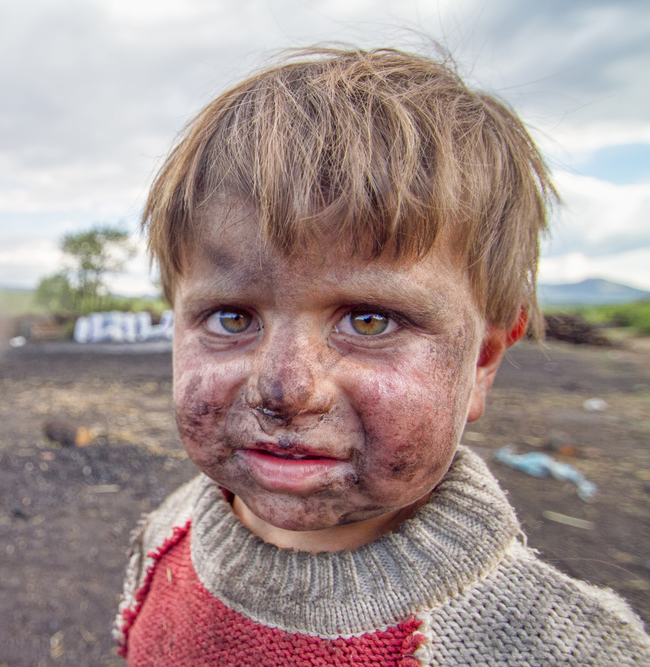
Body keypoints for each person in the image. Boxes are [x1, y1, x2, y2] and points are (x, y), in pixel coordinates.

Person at [114, 48, 650, 665]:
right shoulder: (163, 539)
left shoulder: (559, 647)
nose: (285, 389)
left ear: (482, 361)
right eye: (232, 318)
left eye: (370, 321)